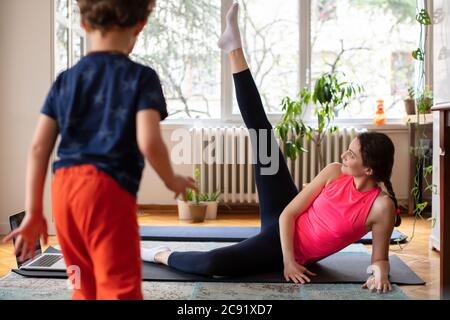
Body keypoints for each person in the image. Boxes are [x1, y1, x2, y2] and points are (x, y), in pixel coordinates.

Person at [142, 3, 401, 295]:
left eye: (351, 155)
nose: (343, 155)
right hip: (283, 220)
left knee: (212, 264)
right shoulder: (334, 173)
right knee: (262, 133)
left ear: (369, 169)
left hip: (277, 245)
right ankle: (233, 47)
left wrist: (379, 273)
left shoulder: (382, 207)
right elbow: (288, 214)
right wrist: (289, 264)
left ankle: (157, 254)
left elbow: (379, 258)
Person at [2, 0, 196, 300]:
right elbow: (149, 141)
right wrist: (173, 180)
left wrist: (35, 212)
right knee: (119, 288)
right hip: (107, 192)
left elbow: (39, 147)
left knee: (82, 283)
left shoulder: (65, 80)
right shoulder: (141, 77)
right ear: (140, 25)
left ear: (83, 24)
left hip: (64, 193)